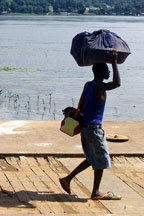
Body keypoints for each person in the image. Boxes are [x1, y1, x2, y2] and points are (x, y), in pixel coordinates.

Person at [59, 51, 121, 200]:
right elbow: (117, 83)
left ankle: (67, 179)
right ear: (100, 73)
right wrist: (114, 61)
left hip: (86, 129)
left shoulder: (89, 85)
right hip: (94, 131)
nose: (108, 72)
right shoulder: (100, 87)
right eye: (106, 69)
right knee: (101, 161)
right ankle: (96, 192)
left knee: (91, 159)